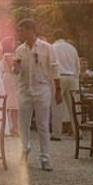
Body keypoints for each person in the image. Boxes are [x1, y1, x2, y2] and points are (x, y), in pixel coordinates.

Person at [14, 18, 59, 171]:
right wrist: (16, 67)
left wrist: (57, 91)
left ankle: (45, 158)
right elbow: (17, 72)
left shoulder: (47, 48)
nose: (19, 33)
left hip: (42, 89)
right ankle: (25, 150)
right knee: (23, 124)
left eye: (22, 30)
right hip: (25, 89)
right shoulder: (20, 49)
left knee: (43, 125)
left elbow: (54, 69)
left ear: (31, 31)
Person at [52, 29, 81, 139]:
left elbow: (52, 65)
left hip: (59, 77)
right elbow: (77, 65)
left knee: (57, 106)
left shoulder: (53, 47)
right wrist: (75, 77)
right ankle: (78, 132)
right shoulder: (72, 48)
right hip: (72, 77)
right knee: (74, 107)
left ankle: (56, 134)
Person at [1, 36, 19, 136]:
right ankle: (13, 127)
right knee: (12, 103)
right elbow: (14, 69)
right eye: (12, 42)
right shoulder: (8, 55)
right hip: (10, 79)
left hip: (10, 79)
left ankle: (13, 126)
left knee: (12, 103)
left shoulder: (10, 55)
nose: (15, 44)